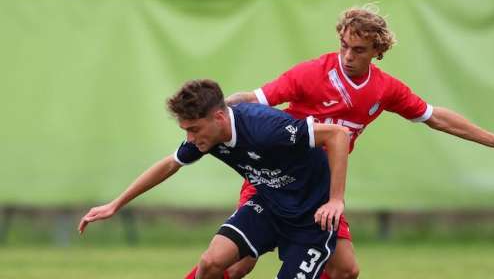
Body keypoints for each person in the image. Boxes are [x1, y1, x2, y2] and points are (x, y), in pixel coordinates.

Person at [201, 5, 494, 279]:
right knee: (235, 263)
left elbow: (434, 116)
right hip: (276, 179)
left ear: (378, 50)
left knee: (346, 270)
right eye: (343, 45)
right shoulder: (312, 73)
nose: (347, 55)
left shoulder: (384, 89)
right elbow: (255, 98)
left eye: (358, 50)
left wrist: (493, 139)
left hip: (318, 191)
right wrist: (213, 112)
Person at [78, 79, 351, 279]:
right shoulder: (206, 138)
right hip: (268, 206)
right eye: (186, 130)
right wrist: (116, 204)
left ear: (219, 117)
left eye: (194, 129)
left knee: (347, 270)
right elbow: (170, 164)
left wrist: (336, 200)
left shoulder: (265, 127)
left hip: (311, 217)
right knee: (211, 262)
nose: (190, 139)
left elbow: (337, 136)